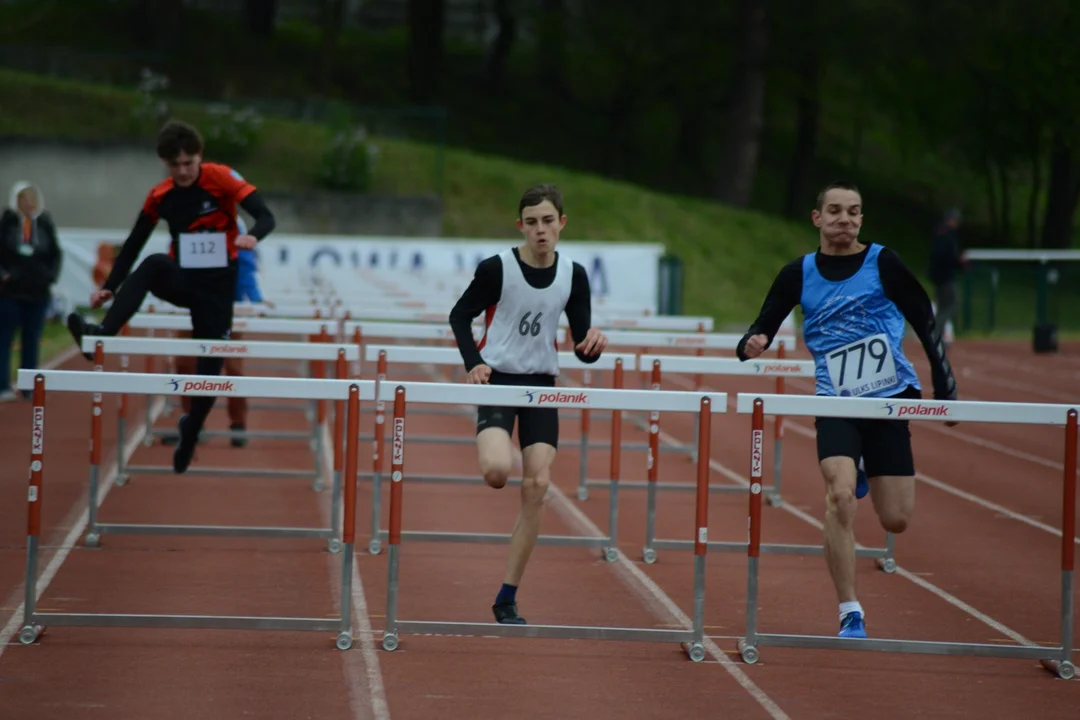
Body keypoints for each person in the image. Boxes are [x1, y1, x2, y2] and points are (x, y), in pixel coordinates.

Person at [736, 181, 957, 640]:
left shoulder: (884, 263)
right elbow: (761, 326)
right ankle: (850, 610)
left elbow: (923, 318)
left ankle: (861, 465)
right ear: (817, 218)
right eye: (835, 211)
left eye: (853, 212)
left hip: (889, 399)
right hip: (834, 400)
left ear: (861, 218)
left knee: (896, 518)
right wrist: (751, 344)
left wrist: (945, 384)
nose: (845, 219)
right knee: (838, 495)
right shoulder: (798, 272)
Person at [65, 119, 276, 473]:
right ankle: (99, 337)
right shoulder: (160, 196)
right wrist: (109, 286)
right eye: (174, 165)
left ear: (200, 157)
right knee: (154, 263)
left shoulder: (221, 178)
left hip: (218, 290)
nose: (182, 172)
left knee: (209, 372)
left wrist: (253, 236)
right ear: (165, 163)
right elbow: (133, 244)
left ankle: (191, 431)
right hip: (185, 281)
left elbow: (266, 216)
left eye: (188, 163)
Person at [448, 183, 607, 625]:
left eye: (548, 221)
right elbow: (460, 316)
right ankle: (492, 446)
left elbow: (580, 343)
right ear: (521, 226)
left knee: (537, 486)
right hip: (499, 380)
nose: (541, 230)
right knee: (497, 473)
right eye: (532, 223)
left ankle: (507, 596)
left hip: (542, 386)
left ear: (562, 224)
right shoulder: (497, 268)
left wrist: (592, 344)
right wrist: (474, 362)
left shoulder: (574, 274)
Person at [168, 216, 262, 448]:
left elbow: (245, 262)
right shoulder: (182, 213)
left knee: (232, 367)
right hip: (191, 302)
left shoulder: (233, 220)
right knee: (184, 363)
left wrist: (255, 299)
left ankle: (238, 424)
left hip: (227, 304)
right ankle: (193, 425)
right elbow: (173, 258)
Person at [0, 182, 63, 401]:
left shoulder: (44, 224)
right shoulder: (7, 223)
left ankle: (28, 387)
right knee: (4, 339)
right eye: (24, 200)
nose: (29, 204)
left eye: (32, 199)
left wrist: (49, 276)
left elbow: (55, 253)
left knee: (32, 339)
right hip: (10, 293)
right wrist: (4, 274)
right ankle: (2, 386)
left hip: (38, 293)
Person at [928, 208, 964, 346]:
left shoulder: (939, 232)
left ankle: (936, 335)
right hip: (945, 276)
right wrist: (958, 261)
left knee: (943, 305)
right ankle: (936, 335)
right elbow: (947, 256)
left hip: (938, 276)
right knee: (950, 305)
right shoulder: (948, 235)